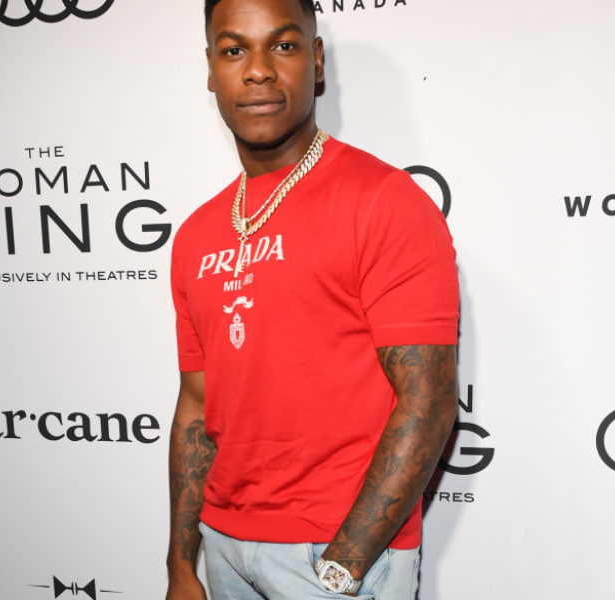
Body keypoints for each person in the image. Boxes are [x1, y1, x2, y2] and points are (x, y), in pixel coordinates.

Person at [166, 0, 459, 598]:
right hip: (223, 546)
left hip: (333, 556)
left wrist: (342, 567)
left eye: (283, 45)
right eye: (233, 50)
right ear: (211, 70)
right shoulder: (196, 234)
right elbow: (196, 406)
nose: (257, 70)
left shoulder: (384, 201)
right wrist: (180, 561)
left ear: (316, 60)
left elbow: (427, 399)